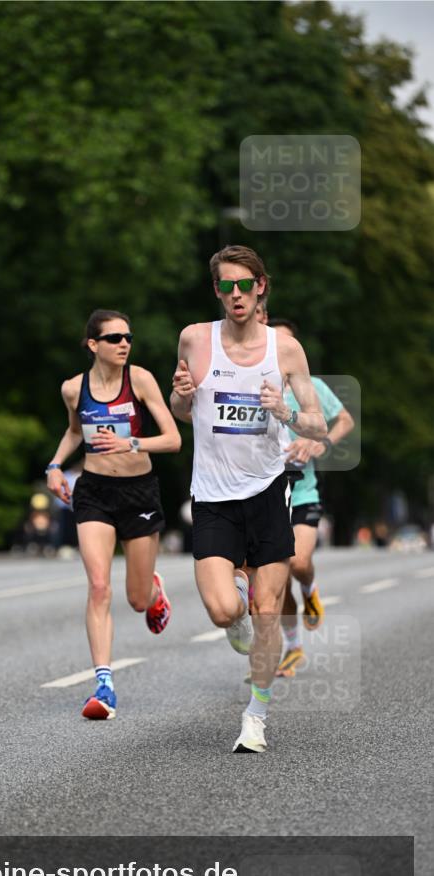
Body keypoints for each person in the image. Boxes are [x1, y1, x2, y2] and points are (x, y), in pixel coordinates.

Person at [171, 245, 326, 752]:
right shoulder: (195, 339)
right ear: (217, 290)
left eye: (245, 284)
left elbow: (316, 425)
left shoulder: (285, 349)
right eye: (226, 286)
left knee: (266, 611)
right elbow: (179, 410)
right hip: (213, 496)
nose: (235, 294)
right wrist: (180, 394)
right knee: (222, 610)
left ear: (261, 287)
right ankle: (233, 611)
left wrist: (284, 412)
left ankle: (255, 717)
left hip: (266, 492)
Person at [46, 309, 181, 719]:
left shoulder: (138, 380)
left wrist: (133, 445)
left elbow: (173, 439)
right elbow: (75, 430)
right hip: (94, 494)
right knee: (99, 586)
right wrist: (54, 466)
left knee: (137, 600)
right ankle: (103, 684)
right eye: (114, 338)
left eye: (128, 337)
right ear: (93, 345)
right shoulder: (74, 389)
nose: (124, 343)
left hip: (138, 493)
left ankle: (154, 591)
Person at [269, 318, 355, 677]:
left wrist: (320, 442)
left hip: (302, 490)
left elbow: (345, 419)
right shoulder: (257, 384)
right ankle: (292, 645)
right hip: (268, 493)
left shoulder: (312, 386)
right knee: (278, 573)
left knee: (298, 563)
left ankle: (311, 589)